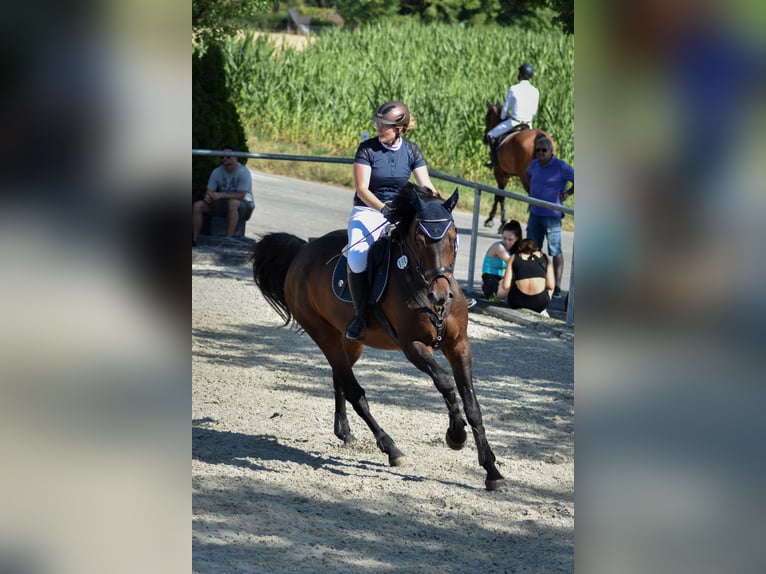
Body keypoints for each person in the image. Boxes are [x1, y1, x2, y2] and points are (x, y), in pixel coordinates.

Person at [345, 100, 439, 341]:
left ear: (399, 128)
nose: (378, 127)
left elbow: (425, 185)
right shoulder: (367, 149)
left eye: (383, 125)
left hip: (400, 213)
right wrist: (385, 209)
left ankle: (442, 297)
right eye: (377, 123)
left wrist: (439, 205)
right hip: (368, 211)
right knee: (356, 258)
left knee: (432, 242)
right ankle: (360, 315)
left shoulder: (412, 150)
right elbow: (362, 189)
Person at [525, 135, 573, 298]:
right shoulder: (533, 165)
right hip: (535, 214)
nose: (540, 153)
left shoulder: (561, 166)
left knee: (555, 250)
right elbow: (527, 175)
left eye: (544, 150)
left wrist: (567, 193)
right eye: (537, 150)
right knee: (531, 248)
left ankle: (557, 287)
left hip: (552, 215)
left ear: (551, 151)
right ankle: (534, 280)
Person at [192, 146, 254, 246]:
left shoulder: (243, 172)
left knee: (232, 203)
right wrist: (208, 197)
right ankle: (194, 240)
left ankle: (227, 241)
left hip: (244, 206)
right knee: (198, 205)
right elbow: (209, 191)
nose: (225, 159)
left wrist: (220, 195)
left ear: (236, 157)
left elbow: (241, 195)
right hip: (223, 204)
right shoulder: (216, 172)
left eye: (228, 157)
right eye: (222, 157)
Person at [484, 63, 540, 167]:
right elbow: (534, 111)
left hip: (514, 122)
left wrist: (502, 117)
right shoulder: (535, 91)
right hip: (529, 124)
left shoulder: (514, 88)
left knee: (490, 135)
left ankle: (495, 163)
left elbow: (505, 108)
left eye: (519, 73)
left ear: (522, 75)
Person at [501, 238, 555, 314]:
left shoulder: (514, 257)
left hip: (517, 302)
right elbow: (551, 286)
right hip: (539, 304)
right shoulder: (545, 259)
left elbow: (505, 286)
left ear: (519, 248)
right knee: (550, 288)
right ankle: (544, 310)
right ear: (536, 248)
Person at [480, 220, 522, 301]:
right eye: (504, 238)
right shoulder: (498, 247)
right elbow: (513, 263)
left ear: (516, 238)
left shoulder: (513, 249)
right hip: (491, 282)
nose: (506, 241)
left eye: (510, 239)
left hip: (499, 279)